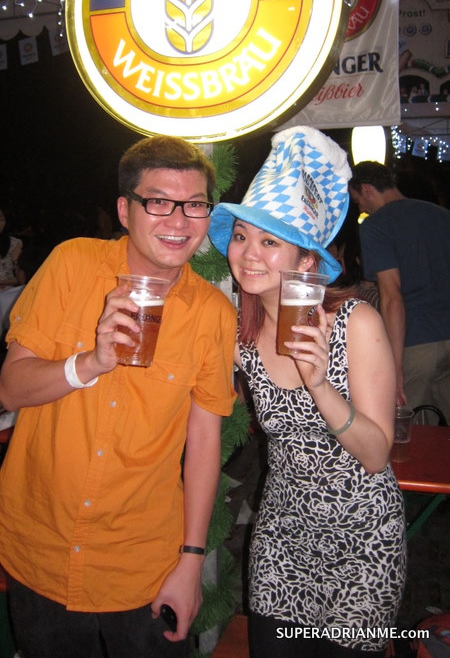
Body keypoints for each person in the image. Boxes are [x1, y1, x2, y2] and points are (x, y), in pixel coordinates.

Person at [0, 135, 237, 658]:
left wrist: (191, 561)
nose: (179, 221)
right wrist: (89, 363)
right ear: (125, 211)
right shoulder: (72, 264)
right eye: (159, 202)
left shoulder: (213, 314)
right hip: (42, 548)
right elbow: (11, 388)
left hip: (143, 564)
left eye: (195, 205)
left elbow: (204, 440)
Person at [209, 126, 406, 658]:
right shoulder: (239, 335)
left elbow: (376, 454)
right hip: (282, 535)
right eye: (242, 236)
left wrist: (319, 383)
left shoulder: (355, 323)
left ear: (306, 262)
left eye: (270, 242)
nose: (247, 253)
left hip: (362, 539)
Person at [349, 161, 450, 421]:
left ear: (367, 189)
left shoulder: (376, 225)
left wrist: (394, 365)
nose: (361, 208)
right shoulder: (442, 215)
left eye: (358, 201)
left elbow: (392, 297)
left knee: (412, 428)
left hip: (418, 342)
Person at [0, 207, 22, 291]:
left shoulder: (13, 243)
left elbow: (21, 277)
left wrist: (2, 282)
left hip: (6, 293)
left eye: (1, 219)